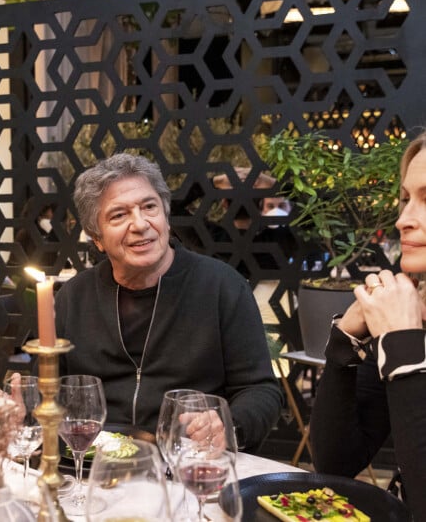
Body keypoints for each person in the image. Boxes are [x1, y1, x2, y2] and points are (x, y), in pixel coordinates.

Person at [55, 153, 282, 452]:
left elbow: (260, 390)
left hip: (188, 461)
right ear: (97, 238)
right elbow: (48, 392)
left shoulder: (222, 287)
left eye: (149, 207)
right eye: (119, 215)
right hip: (94, 465)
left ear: (165, 215)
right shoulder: (73, 297)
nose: (140, 224)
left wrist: (229, 423)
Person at [310, 132, 426, 518]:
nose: (403, 219)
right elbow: (336, 461)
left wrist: (406, 352)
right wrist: (344, 341)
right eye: (407, 198)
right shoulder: (413, 308)